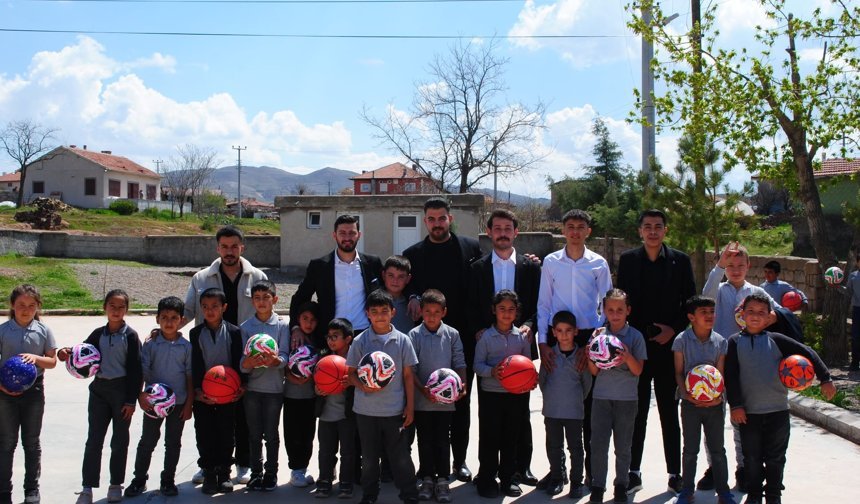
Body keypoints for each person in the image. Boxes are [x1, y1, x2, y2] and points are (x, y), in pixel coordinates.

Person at [725, 293, 836, 504]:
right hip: (748, 414)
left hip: (778, 412)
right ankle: (754, 495)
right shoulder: (734, 342)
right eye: (751, 311)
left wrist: (825, 378)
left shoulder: (776, 340)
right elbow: (730, 376)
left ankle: (774, 495)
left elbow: (807, 352)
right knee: (752, 458)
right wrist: (736, 405)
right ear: (742, 315)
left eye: (761, 312)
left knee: (776, 457)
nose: (755, 316)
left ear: (769, 317)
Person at [403, 197, 482, 482]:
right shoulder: (412, 254)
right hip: (425, 342)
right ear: (425, 221)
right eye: (432, 219)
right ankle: (426, 466)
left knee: (460, 402)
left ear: (450, 219)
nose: (437, 224)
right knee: (426, 406)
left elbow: (489, 272)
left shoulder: (471, 248)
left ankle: (459, 461)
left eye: (442, 218)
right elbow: (404, 283)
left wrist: (530, 260)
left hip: (462, 338)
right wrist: (413, 295)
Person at [615, 209, 694, 495]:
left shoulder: (680, 261)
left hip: (668, 349)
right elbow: (621, 302)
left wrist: (673, 329)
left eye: (657, 226)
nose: (652, 231)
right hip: (636, 349)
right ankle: (633, 472)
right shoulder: (628, 260)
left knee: (669, 413)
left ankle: (675, 474)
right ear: (640, 231)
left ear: (665, 230)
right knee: (635, 414)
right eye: (647, 226)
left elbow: (690, 303)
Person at [183, 225, 267, 485]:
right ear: (217, 248)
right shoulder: (201, 278)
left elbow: (266, 310)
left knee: (242, 413)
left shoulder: (257, 276)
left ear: (242, 247)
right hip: (210, 353)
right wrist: (164, 331)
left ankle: (243, 462)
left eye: (234, 246)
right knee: (209, 416)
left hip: (243, 354)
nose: (229, 251)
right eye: (224, 247)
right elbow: (188, 310)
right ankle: (208, 463)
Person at [537, 209, 612, 485]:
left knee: (588, 406)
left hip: (587, 337)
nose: (575, 231)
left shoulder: (598, 263)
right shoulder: (551, 262)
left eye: (581, 227)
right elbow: (544, 303)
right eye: (570, 226)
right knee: (557, 405)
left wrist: (592, 344)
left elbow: (607, 305)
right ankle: (557, 471)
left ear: (588, 231)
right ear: (563, 230)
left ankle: (589, 472)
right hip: (558, 336)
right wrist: (543, 342)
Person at [467, 209, 541, 487]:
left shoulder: (530, 267)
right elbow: (470, 304)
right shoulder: (477, 268)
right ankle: (487, 470)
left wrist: (530, 324)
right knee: (490, 416)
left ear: (516, 232)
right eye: (497, 228)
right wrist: (478, 329)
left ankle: (522, 467)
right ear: (489, 232)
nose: (502, 233)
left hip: (520, 344)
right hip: (490, 347)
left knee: (520, 414)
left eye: (507, 228)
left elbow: (539, 303)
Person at [703, 242, 780, 490]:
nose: (735, 270)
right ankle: (714, 468)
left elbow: (777, 313)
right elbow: (705, 297)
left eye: (740, 265)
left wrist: (765, 319)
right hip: (716, 363)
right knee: (713, 420)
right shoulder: (718, 290)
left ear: (748, 265)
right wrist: (718, 266)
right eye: (730, 265)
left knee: (741, 420)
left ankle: (744, 468)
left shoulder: (757, 293)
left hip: (747, 365)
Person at [59, 289, 142, 504]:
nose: (116, 310)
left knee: (120, 440)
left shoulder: (131, 336)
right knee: (94, 440)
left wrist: (131, 400)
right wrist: (65, 352)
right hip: (99, 392)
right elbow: (81, 353)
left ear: (126, 310)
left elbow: (136, 371)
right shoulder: (98, 334)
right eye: (112, 306)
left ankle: (115, 484)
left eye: (121, 307)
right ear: (105, 307)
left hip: (121, 392)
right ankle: (87, 487)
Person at [346, 289, 419, 504]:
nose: (380, 316)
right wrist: (363, 385)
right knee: (369, 458)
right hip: (366, 411)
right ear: (367, 314)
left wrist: (410, 406)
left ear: (393, 313)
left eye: (384, 311)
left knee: (401, 457)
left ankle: (409, 494)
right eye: (375, 311)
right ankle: (369, 495)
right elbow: (350, 374)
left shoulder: (403, 340)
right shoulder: (360, 341)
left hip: (394, 410)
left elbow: (408, 376)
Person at [125, 296, 193, 498]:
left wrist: (189, 404)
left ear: (181, 320)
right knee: (147, 441)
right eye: (164, 317)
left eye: (174, 318)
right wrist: (141, 395)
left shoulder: (186, 347)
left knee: (173, 443)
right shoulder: (151, 344)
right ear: (157, 319)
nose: (169, 322)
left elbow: (190, 376)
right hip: (153, 404)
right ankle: (139, 479)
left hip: (178, 403)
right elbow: (142, 372)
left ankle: (168, 480)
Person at [672, 296, 736, 504]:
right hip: (689, 405)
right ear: (692, 317)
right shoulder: (681, 340)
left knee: (717, 450)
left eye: (712, 312)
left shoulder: (720, 342)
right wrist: (686, 395)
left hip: (714, 406)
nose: (709, 316)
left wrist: (717, 398)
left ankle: (723, 492)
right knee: (690, 450)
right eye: (704, 312)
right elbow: (679, 372)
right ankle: (686, 490)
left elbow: (720, 373)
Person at [473, 289, 534, 499]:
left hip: (515, 396)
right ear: (494, 310)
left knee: (511, 438)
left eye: (511, 309)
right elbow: (477, 365)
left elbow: (528, 366)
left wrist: (530, 380)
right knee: (490, 438)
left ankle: (508, 478)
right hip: (491, 395)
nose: (506, 313)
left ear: (517, 312)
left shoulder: (522, 337)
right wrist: (492, 371)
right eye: (502, 309)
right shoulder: (485, 337)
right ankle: (486, 479)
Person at [586, 289, 646, 504]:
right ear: (604, 310)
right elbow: (594, 371)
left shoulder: (635, 336)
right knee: (598, 444)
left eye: (620, 309)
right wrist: (591, 353)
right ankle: (597, 486)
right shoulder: (599, 336)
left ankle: (621, 484)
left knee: (623, 446)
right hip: (601, 398)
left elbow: (638, 370)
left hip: (626, 400)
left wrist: (627, 357)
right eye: (610, 310)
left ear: (628, 310)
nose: (615, 314)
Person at [0, 285, 57, 504]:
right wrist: (1, 386)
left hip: (34, 392)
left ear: (38, 307)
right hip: (5, 393)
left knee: (31, 443)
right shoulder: (3, 331)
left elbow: (52, 361)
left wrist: (36, 358)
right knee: (6, 442)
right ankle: (3, 491)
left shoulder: (43, 331)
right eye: (21, 305)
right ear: (12, 305)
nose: (26, 310)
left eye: (31, 305)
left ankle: (32, 489)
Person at [290, 214, 383, 346]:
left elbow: (385, 294)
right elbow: (299, 298)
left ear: (359, 235)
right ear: (334, 235)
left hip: (365, 336)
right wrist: (296, 328)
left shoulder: (373, 263)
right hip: (330, 338)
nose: (347, 237)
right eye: (342, 233)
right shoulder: (319, 266)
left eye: (352, 233)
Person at [409, 290, 466, 503]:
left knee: (443, 440)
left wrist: (462, 385)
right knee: (424, 440)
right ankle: (427, 479)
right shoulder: (414, 335)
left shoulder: (452, 334)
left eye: (436, 312)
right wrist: (423, 389)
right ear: (421, 312)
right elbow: (411, 369)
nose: (431, 316)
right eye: (427, 311)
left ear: (444, 312)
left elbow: (459, 362)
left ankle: (442, 480)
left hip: (445, 403)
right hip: (422, 400)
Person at [189, 288, 245, 495]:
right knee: (204, 433)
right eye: (205, 307)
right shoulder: (195, 333)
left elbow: (239, 362)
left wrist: (241, 386)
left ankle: (224, 473)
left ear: (224, 307)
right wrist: (197, 391)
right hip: (203, 395)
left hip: (227, 395)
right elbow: (195, 364)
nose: (210, 311)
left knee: (226, 434)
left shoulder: (234, 332)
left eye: (214, 306)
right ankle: (209, 472)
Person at [240, 280, 290, 492]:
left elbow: (285, 356)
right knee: (254, 435)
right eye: (257, 298)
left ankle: (271, 473)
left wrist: (276, 361)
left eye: (266, 297)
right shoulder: (246, 327)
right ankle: (256, 473)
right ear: (252, 301)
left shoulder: (282, 326)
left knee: (271, 434)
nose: (261, 302)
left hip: (274, 390)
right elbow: (241, 364)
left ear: (275, 300)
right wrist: (248, 363)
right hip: (252, 390)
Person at [538, 310, 592, 499]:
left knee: (576, 449)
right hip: (552, 411)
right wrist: (553, 398)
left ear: (576, 331)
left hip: (574, 413)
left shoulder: (581, 357)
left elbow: (586, 385)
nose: (564, 335)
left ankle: (576, 482)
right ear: (553, 332)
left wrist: (575, 399)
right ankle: (557, 477)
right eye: (559, 331)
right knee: (554, 446)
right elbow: (542, 381)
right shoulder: (550, 355)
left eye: (568, 330)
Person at [313, 318, 357, 499]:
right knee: (325, 451)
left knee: (348, 451)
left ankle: (346, 483)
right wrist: (317, 389)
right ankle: (324, 480)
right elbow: (315, 379)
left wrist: (352, 382)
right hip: (326, 413)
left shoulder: (355, 358)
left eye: (335, 336)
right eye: (328, 336)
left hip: (347, 415)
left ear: (348, 339)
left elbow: (363, 382)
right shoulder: (323, 356)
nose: (330, 340)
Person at [285, 301, 321, 488]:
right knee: (293, 433)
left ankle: (303, 468)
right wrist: (290, 376)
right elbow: (283, 359)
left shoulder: (319, 339)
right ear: (298, 320)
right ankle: (295, 469)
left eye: (313, 320)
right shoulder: (291, 337)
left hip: (311, 395)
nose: (309, 323)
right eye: (305, 319)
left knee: (308, 433)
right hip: (292, 394)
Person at [382, 256, 415, 334]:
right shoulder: (374, 301)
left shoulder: (412, 304)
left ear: (408, 278)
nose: (395, 281)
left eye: (401, 277)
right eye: (391, 275)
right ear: (383, 275)